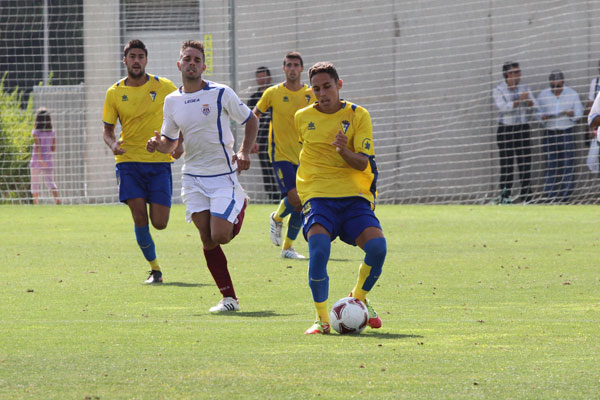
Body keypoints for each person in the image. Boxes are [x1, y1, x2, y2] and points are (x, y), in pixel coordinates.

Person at [146, 40, 258, 313]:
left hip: (222, 176)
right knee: (206, 238)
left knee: (220, 235)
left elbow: (251, 120)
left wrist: (244, 151)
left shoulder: (221, 93)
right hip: (192, 178)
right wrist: (158, 145)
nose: (192, 63)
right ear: (179, 64)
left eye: (197, 59)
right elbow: (172, 144)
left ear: (204, 66)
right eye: (187, 59)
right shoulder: (171, 101)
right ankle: (229, 299)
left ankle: (239, 200)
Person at [295, 61, 386, 335]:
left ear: (339, 85)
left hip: (354, 196)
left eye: (327, 87)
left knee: (378, 249)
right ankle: (322, 319)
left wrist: (343, 150)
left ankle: (358, 297)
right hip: (318, 196)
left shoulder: (359, 115)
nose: (322, 93)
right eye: (316, 88)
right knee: (319, 250)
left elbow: (361, 163)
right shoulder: (302, 117)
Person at [102, 39, 179, 284]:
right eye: (132, 56)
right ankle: (155, 270)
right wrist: (113, 144)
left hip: (159, 162)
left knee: (160, 223)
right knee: (139, 217)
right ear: (125, 60)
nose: (136, 61)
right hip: (128, 163)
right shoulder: (114, 92)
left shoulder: (165, 86)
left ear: (146, 60)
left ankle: (155, 266)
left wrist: (179, 144)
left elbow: (182, 117)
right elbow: (107, 130)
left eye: (140, 56)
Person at [252, 52, 316, 259]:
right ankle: (277, 218)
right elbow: (255, 114)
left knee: (301, 203)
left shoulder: (310, 93)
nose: (292, 68)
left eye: (296, 65)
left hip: (306, 156)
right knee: (295, 197)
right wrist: (252, 140)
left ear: (302, 69)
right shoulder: (273, 93)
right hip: (280, 155)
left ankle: (288, 248)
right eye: (288, 65)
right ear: (283, 69)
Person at [492, 61, 536, 204]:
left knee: (525, 164)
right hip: (506, 129)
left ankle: (527, 197)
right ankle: (505, 197)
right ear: (508, 74)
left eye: (519, 72)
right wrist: (518, 100)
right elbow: (503, 107)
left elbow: (534, 106)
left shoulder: (525, 88)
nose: (519, 75)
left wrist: (528, 101)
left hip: (522, 129)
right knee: (507, 165)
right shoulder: (499, 89)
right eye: (516, 72)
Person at [536, 70, 583, 203]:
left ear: (563, 83)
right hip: (550, 132)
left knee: (567, 164)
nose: (556, 89)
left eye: (558, 86)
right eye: (553, 86)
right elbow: (537, 113)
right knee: (551, 164)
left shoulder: (572, 94)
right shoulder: (543, 95)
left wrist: (571, 114)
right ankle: (550, 195)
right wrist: (542, 118)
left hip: (566, 132)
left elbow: (579, 114)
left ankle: (565, 196)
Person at [246, 66, 278, 201]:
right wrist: (254, 141)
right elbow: (250, 121)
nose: (261, 80)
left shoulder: (276, 94)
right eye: (259, 78)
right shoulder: (254, 99)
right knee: (266, 168)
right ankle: (271, 197)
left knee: (279, 168)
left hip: (278, 139)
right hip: (261, 140)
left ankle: (283, 196)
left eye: (263, 77)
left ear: (269, 78)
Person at [30, 107, 61, 205]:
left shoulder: (35, 132)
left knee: (35, 182)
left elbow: (38, 147)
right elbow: (53, 148)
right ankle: (57, 199)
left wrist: (40, 159)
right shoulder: (52, 132)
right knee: (50, 181)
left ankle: (35, 203)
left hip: (36, 161)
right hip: (48, 160)